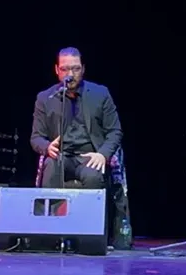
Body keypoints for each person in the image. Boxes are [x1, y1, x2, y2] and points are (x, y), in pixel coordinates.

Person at [31, 47, 124, 190]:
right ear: (56, 70)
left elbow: (115, 131)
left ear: (83, 69)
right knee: (50, 169)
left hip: (90, 157)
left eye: (75, 69)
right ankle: (51, 212)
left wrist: (102, 154)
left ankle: (92, 213)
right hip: (61, 157)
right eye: (64, 69)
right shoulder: (45, 98)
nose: (70, 75)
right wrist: (47, 147)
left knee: (94, 176)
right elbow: (36, 137)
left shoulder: (100, 94)